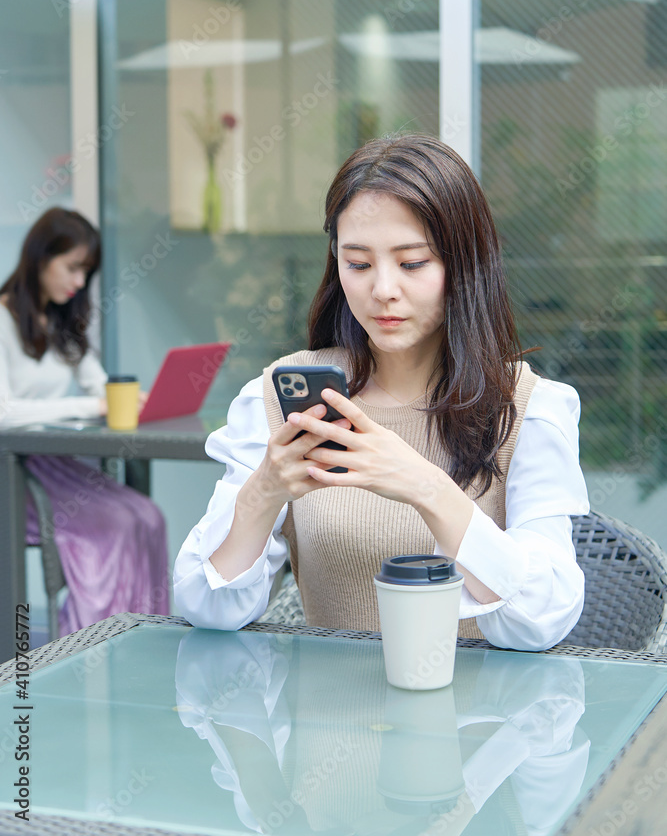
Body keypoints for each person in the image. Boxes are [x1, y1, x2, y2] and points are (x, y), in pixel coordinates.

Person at [174, 135, 589, 650]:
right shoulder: (286, 400)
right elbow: (203, 604)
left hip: (478, 725)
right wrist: (265, 490)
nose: (383, 290)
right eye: (359, 263)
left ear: (464, 264)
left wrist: (424, 486)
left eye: (412, 263)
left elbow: (542, 619)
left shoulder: (529, 409)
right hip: (323, 720)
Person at [0, 207, 169, 633]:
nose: (79, 283)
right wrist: (88, 406)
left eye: (86, 272)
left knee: (148, 517)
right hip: (16, 473)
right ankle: (86, 649)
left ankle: (141, 637)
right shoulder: (2, 319)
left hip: (55, 468)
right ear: (40, 258)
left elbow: (98, 386)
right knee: (111, 528)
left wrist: (132, 399)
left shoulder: (59, 322)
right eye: (72, 268)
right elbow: (3, 412)